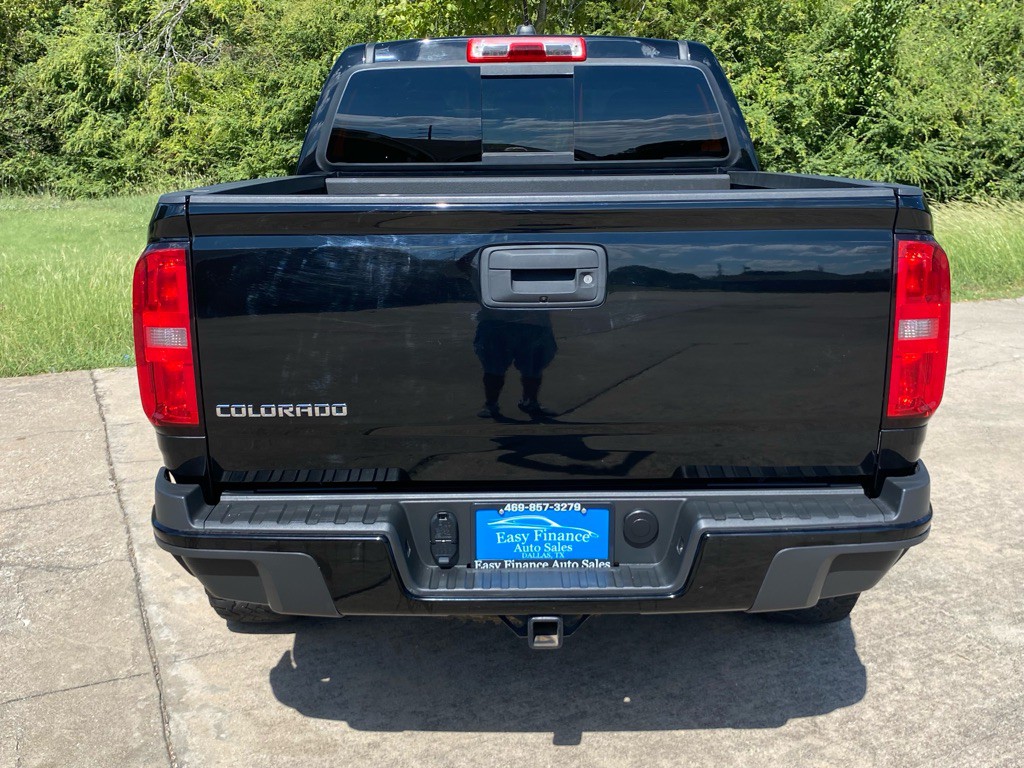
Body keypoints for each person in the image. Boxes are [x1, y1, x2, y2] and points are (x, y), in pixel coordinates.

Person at [473, 307, 558, 419]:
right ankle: (491, 404)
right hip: (496, 320)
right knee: (493, 365)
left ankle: (530, 401)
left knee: (535, 364)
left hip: (535, 322)